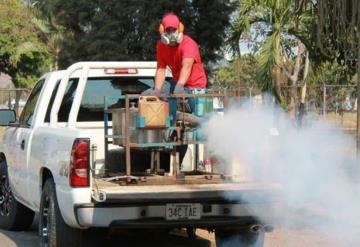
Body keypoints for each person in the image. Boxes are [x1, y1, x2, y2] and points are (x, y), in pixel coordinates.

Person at [146, 13, 208, 123]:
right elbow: (161, 69)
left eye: (173, 30)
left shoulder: (188, 44)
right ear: (162, 30)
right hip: (177, 83)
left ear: (179, 29)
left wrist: (180, 86)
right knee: (147, 95)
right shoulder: (161, 46)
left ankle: (199, 126)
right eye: (168, 31)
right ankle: (170, 126)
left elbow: (187, 66)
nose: (171, 34)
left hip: (195, 86)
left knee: (198, 122)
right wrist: (157, 90)